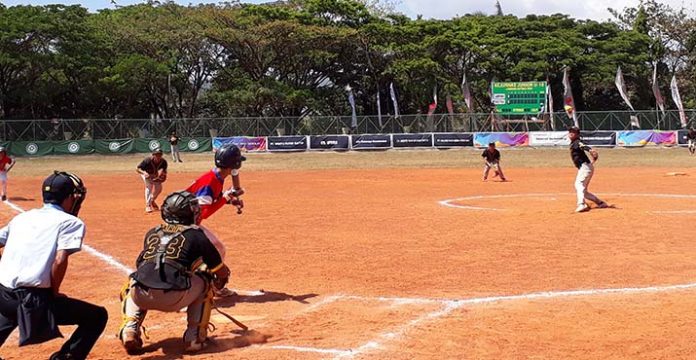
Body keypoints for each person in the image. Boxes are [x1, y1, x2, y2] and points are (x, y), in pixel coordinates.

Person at [0, 171, 108, 360]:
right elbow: (60, 259)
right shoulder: (70, 222)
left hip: (2, 295)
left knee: (11, 309)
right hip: (31, 301)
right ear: (68, 197)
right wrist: (54, 292)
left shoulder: (23, 217)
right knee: (97, 316)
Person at [118, 191, 230, 355]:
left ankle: (129, 328)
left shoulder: (152, 231)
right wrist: (220, 280)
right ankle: (195, 338)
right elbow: (219, 270)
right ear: (188, 213)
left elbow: (141, 264)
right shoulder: (196, 234)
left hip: (140, 295)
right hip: (173, 297)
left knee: (135, 280)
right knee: (205, 279)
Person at [185, 143, 245, 297]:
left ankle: (212, 286)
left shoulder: (216, 178)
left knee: (217, 248)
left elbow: (212, 200)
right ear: (233, 165)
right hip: (186, 223)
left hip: (189, 221)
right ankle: (205, 288)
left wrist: (230, 200)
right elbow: (204, 213)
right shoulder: (210, 181)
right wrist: (226, 197)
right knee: (215, 249)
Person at [568, 127, 609, 213]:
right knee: (583, 191)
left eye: (573, 132)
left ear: (578, 134)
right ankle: (600, 203)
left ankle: (581, 204)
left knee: (579, 185)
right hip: (585, 167)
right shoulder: (574, 142)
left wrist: (589, 149)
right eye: (570, 131)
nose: (571, 133)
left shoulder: (577, 142)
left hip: (585, 167)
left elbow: (582, 146)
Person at [136, 148, 168, 213]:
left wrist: (162, 175)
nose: (158, 156)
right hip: (146, 174)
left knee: (159, 189)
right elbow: (137, 169)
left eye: (160, 155)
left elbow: (164, 171)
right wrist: (144, 173)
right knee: (149, 187)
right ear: (153, 155)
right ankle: (148, 205)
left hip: (155, 175)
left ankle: (152, 200)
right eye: (156, 155)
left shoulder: (163, 162)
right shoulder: (147, 160)